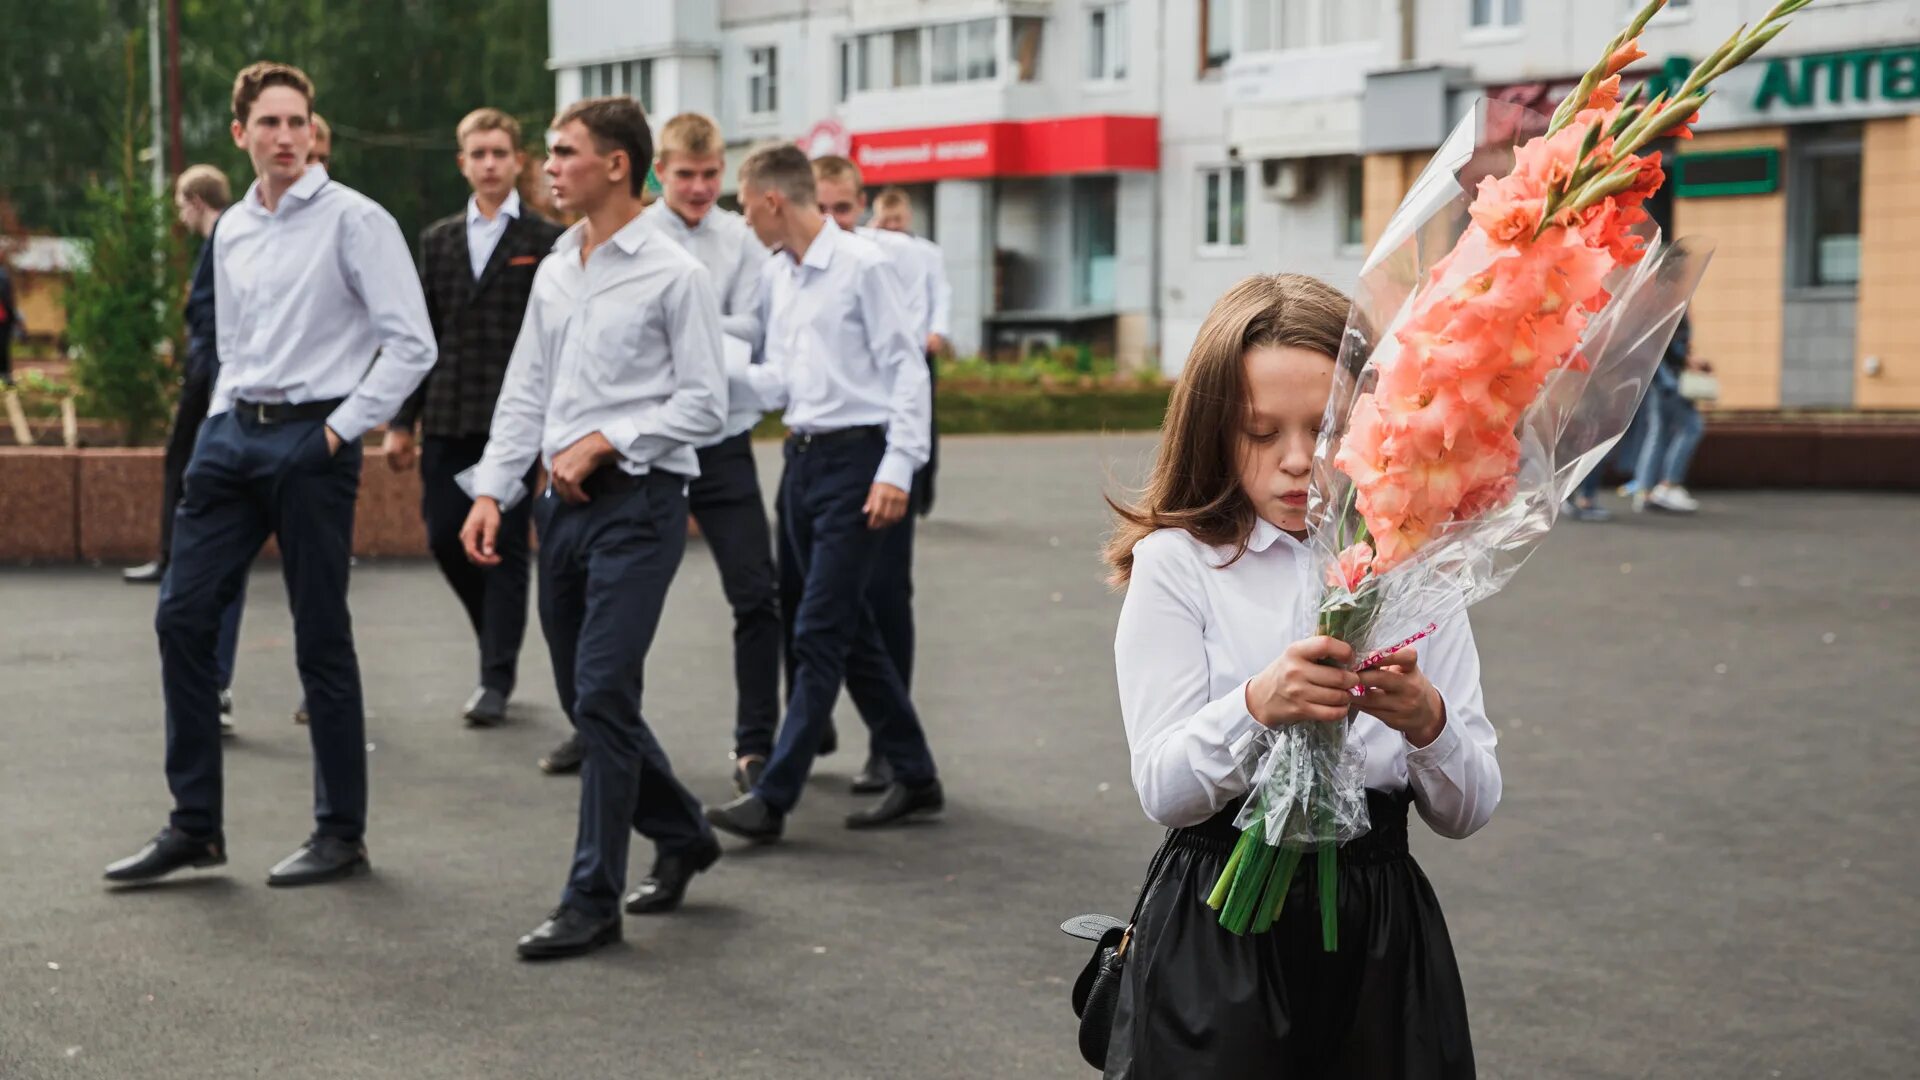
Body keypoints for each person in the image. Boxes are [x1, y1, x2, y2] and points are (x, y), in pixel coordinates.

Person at [1101, 274, 1499, 1077]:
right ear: (1213, 430)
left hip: (1379, 932)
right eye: (1258, 431)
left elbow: (1471, 806)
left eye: (1323, 431)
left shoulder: (1415, 565)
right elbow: (1165, 789)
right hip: (1222, 925)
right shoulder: (1180, 563)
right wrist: (1257, 708)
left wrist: (1426, 721)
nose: (1295, 462)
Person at [103, 62, 436, 888]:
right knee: (180, 618)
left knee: (319, 635)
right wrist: (220, 418)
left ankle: (340, 833)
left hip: (312, 444)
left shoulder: (357, 220)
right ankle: (194, 826)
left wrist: (335, 434)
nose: (286, 137)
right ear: (241, 133)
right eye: (270, 123)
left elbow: (412, 344)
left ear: (312, 130)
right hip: (231, 441)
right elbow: (235, 339)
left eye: (298, 122)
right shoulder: (234, 231)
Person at [457, 95, 726, 959]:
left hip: (641, 509)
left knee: (605, 691)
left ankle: (591, 899)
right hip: (556, 511)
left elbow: (706, 403)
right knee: (588, 697)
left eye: (564, 152)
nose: (548, 165)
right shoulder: (556, 267)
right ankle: (682, 831)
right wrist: (493, 490)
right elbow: (526, 391)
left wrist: (611, 439)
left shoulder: (675, 272)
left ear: (616, 165)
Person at [703, 144, 942, 843]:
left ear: (774, 200)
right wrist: (710, 358)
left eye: (745, 205)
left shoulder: (864, 267)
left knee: (818, 632)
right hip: (803, 462)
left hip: (858, 462)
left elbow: (907, 369)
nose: (743, 219)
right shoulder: (781, 277)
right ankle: (917, 772)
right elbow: (780, 381)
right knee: (851, 632)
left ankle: (773, 795)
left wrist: (899, 466)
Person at [384, 108, 563, 730]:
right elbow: (419, 334)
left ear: (519, 161)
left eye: (499, 153)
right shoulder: (436, 241)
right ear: (462, 162)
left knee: (505, 549)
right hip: (449, 416)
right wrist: (401, 421)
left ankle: (496, 675)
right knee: (442, 535)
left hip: (514, 425)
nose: (489, 164)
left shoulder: (546, 242)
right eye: (477, 154)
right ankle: (491, 634)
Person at [637, 112, 781, 794]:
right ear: (659, 172)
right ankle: (604, 725)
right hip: (655, 445)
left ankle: (756, 745)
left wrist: (682, 321)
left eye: (710, 174)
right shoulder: (635, 237)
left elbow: (754, 331)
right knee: (625, 600)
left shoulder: (742, 239)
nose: (698, 187)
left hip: (722, 443)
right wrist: (707, 328)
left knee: (756, 594)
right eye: (685, 174)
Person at [806, 157, 935, 795]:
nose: (833, 221)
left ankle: (890, 749)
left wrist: (902, 464)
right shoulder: (801, 268)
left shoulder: (887, 262)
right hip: (824, 459)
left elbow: (909, 369)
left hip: (883, 451)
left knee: (884, 599)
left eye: (844, 208)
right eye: (822, 208)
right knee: (819, 603)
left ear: (863, 206)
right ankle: (815, 721)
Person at [120, 166, 248, 732]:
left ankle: (212, 685)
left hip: (219, 392)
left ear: (196, 201)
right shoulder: (233, 234)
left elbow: (216, 316)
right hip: (221, 390)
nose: (178, 214)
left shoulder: (227, 235)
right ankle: (212, 684)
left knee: (200, 490)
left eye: (180, 203)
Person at [1623, 314, 1706, 514]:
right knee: (1692, 427)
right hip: (1671, 383)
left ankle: (1645, 490)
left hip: (1658, 384)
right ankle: (1669, 485)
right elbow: (1672, 349)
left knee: (1657, 434)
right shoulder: (1677, 310)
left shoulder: (1660, 308)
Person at [0, 262, 20, 386]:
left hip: (3, 316)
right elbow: (7, 298)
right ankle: (5, 374)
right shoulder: (3, 275)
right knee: (2, 346)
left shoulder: (3, 275)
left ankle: (5, 374)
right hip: (3, 318)